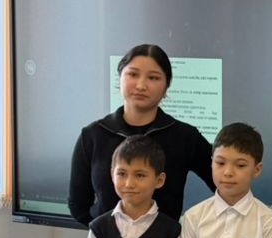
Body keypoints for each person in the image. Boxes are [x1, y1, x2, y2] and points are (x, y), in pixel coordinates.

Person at [68, 43, 213, 226]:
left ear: (166, 86)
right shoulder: (93, 136)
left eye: (153, 78)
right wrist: (105, 231)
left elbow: (224, 182)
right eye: (133, 74)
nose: (141, 85)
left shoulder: (185, 137)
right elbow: (78, 206)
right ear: (120, 78)